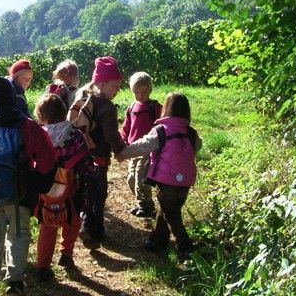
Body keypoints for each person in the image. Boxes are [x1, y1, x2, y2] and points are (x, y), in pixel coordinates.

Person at [0, 76, 56, 296]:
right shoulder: (28, 126)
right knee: (18, 236)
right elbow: (48, 159)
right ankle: (15, 283)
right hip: (19, 195)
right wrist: (37, 186)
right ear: (12, 97)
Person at [118, 92, 202, 261]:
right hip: (185, 181)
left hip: (166, 181)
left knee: (171, 214)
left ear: (166, 108)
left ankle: (186, 248)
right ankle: (157, 240)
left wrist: (123, 153)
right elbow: (198, 145)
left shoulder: (161, 131)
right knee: (167, 209)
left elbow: (143, 145)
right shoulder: (191, 132)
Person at [33, 94, 93, 281]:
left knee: (47, 226)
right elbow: (85, 161)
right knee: (72, 221)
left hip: (46, 190)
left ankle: (43, 266)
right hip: (72, 188)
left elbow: (32, 161)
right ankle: (66, 254)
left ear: (41, 116)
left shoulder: (39, 135)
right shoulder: (74, 134)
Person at [69, 56, 127, 250]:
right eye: (115, 85)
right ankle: (97, 231)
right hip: (99, 157)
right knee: (99, 194)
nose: (117, 90)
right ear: (101, 83)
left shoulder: (83, 97)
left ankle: (85, 223)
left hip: (80, 156)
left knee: (86, 191)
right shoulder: (107, 107)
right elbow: (111, 134)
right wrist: (121, 149)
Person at [120, 72, 162, 218]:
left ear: (150, 90)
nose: (140, 95)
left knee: (141, 178)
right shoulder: (131, 108)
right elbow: (126, 127)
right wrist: (122, 142)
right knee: (131, 179)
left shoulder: (154, 107)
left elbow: (163, 124)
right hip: (133, 149)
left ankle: (146, 206)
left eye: (144, 92)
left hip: (147, 149)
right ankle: (141, 202)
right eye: (137, 92)